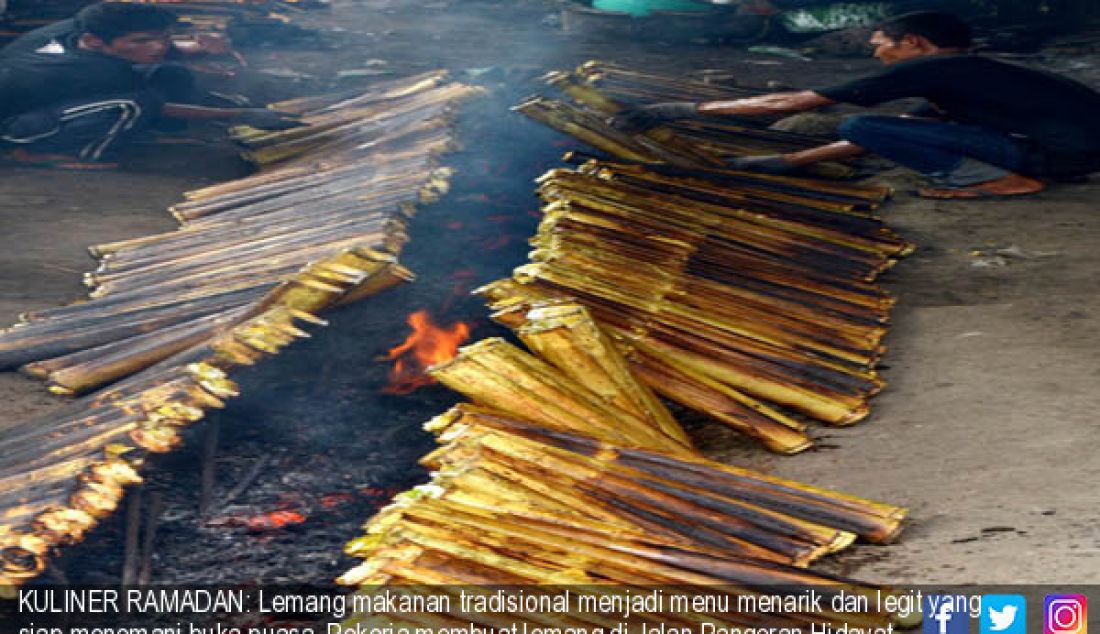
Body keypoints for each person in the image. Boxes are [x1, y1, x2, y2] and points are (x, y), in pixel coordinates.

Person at [612, 11, 1100, 199]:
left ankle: (1007, 181)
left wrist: (681, 110)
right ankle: (1011, 171)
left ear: (913, 43)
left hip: (1057, 156)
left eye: (879, 42)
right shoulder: (969, 74)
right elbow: (902, 131)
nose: (875, 52)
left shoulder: (932, 69)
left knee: (860, 120)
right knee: (881, 126)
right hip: (1077, 154)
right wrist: (787, 162)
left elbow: (788, 100)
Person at [0, 2, 303, 168]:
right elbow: (159, 105)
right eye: (143, 41)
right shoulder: (91, 71)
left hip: (40, 103)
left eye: (164, 37)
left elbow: (148, 48)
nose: (158, 46)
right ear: (94, 41)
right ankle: (41, 153)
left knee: (168, 72)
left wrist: (191, 50)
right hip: (14, 127)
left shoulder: (78, 29)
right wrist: (240, 116)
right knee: (133, 105)